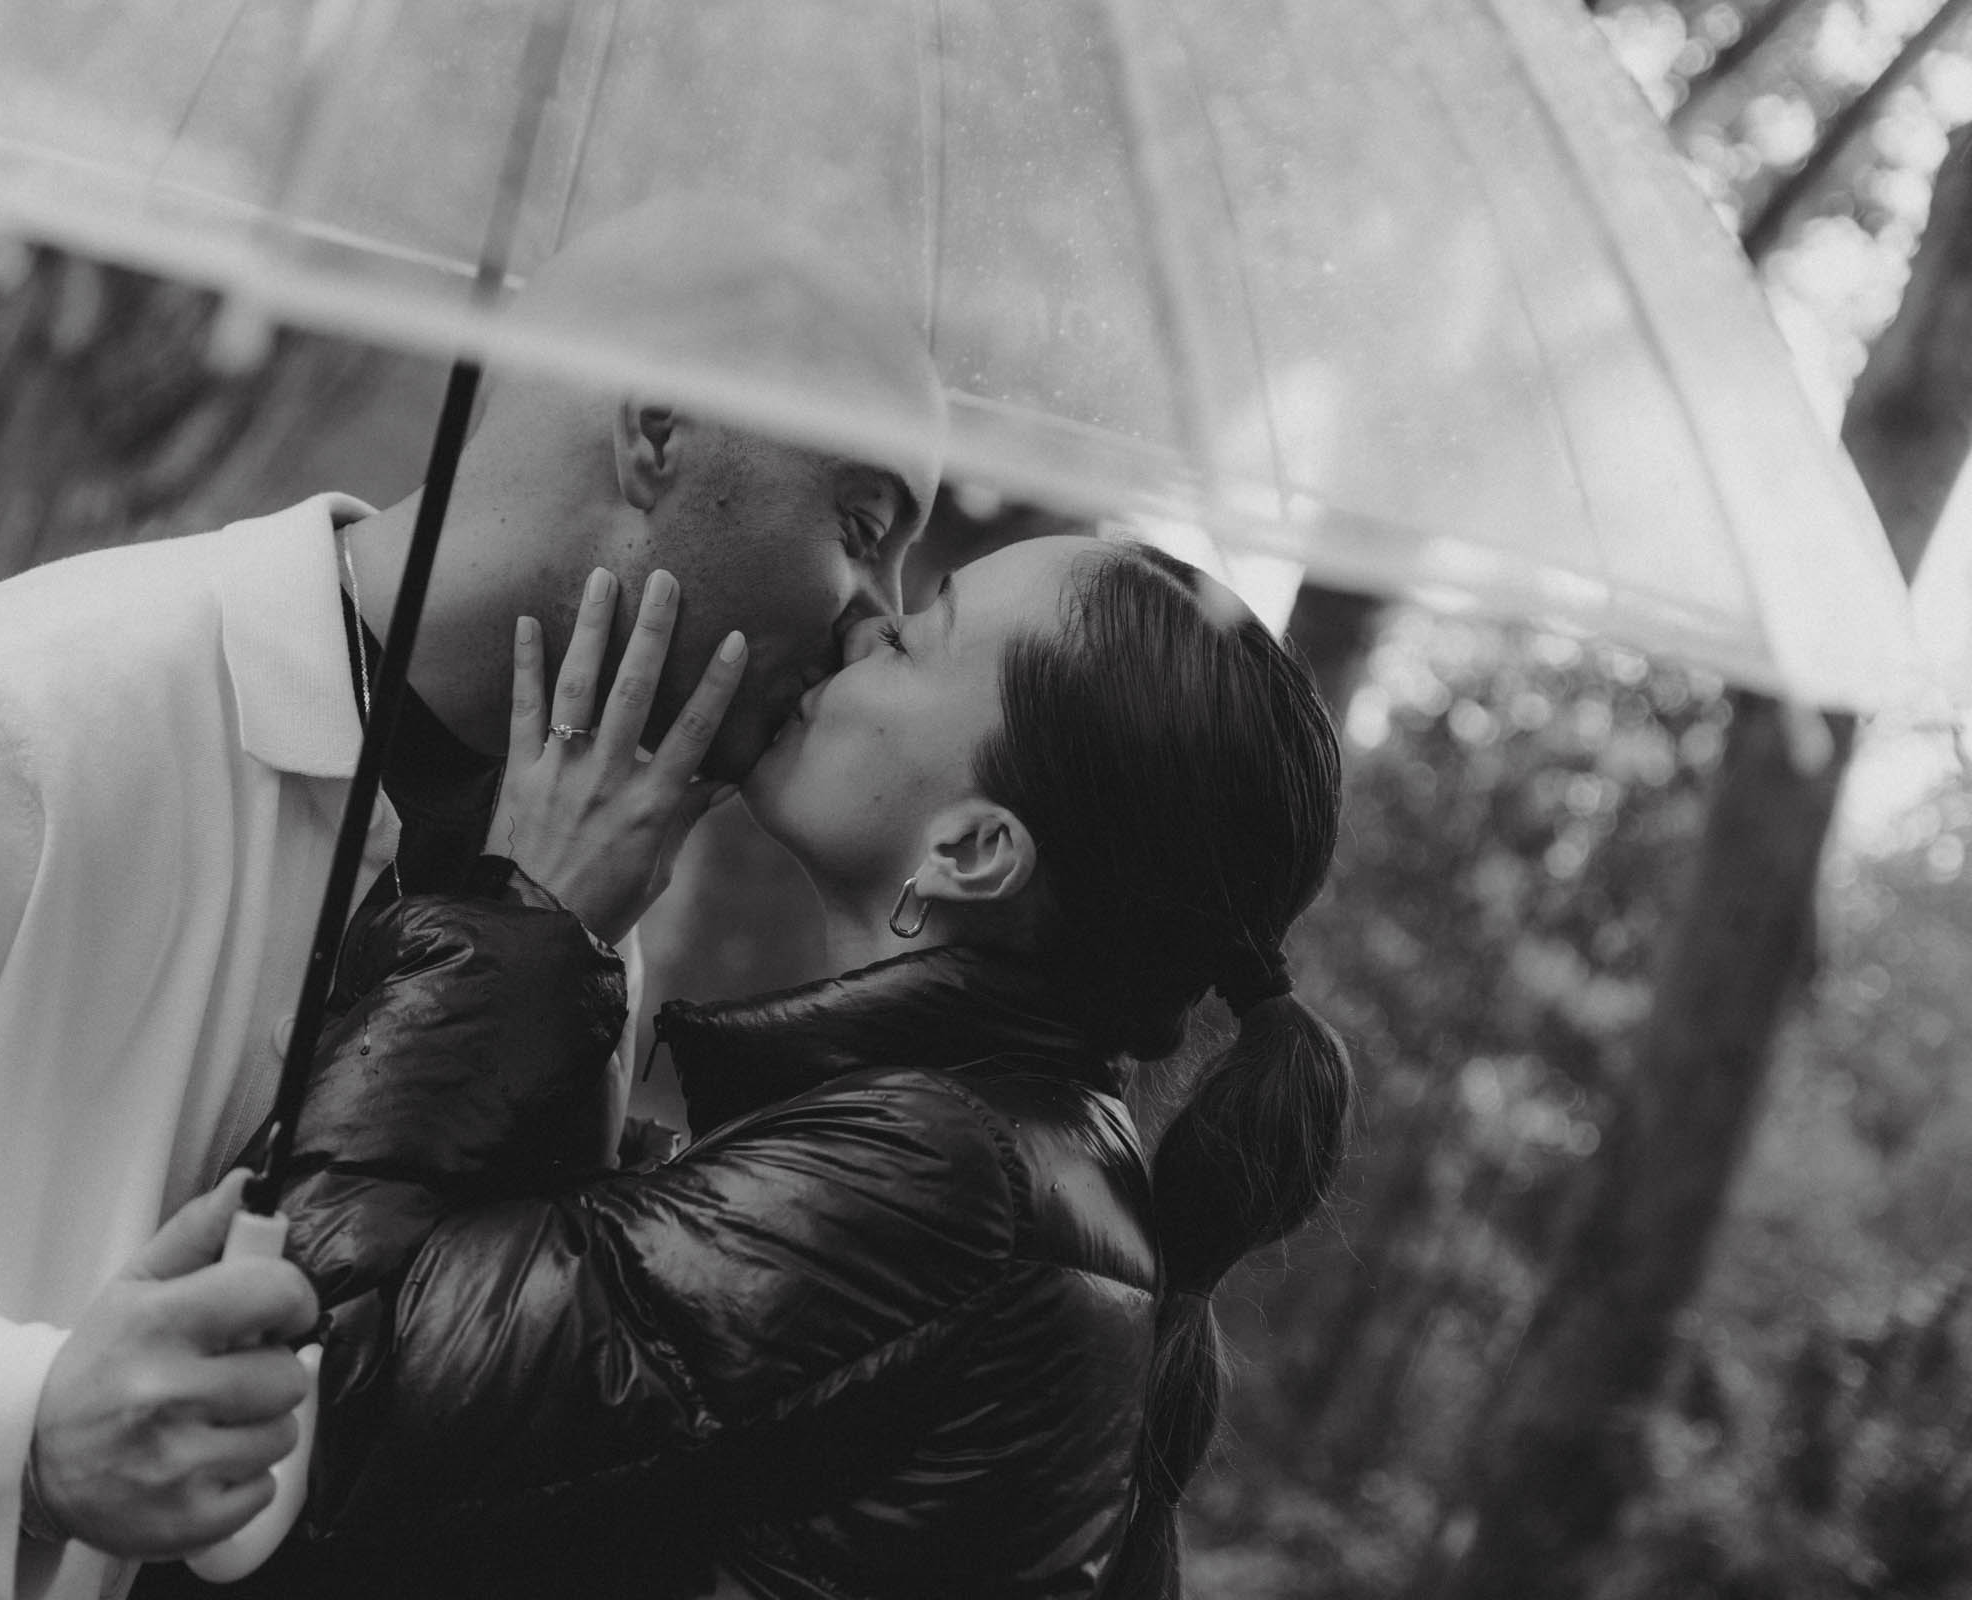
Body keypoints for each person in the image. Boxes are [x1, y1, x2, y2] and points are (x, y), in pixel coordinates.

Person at [0, 195, 942, 1600]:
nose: (880, 616)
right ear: (657, 432)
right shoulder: (22, 715)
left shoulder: (583, 886)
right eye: (863, 518)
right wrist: (19, 1434)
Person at [238, 532, 1355, 1597]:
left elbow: (306, 1388)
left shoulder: (945, 1179)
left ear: (970, 851)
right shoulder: (1008, 1155)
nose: (866, 621)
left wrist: (532, 917)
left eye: (916, 639)